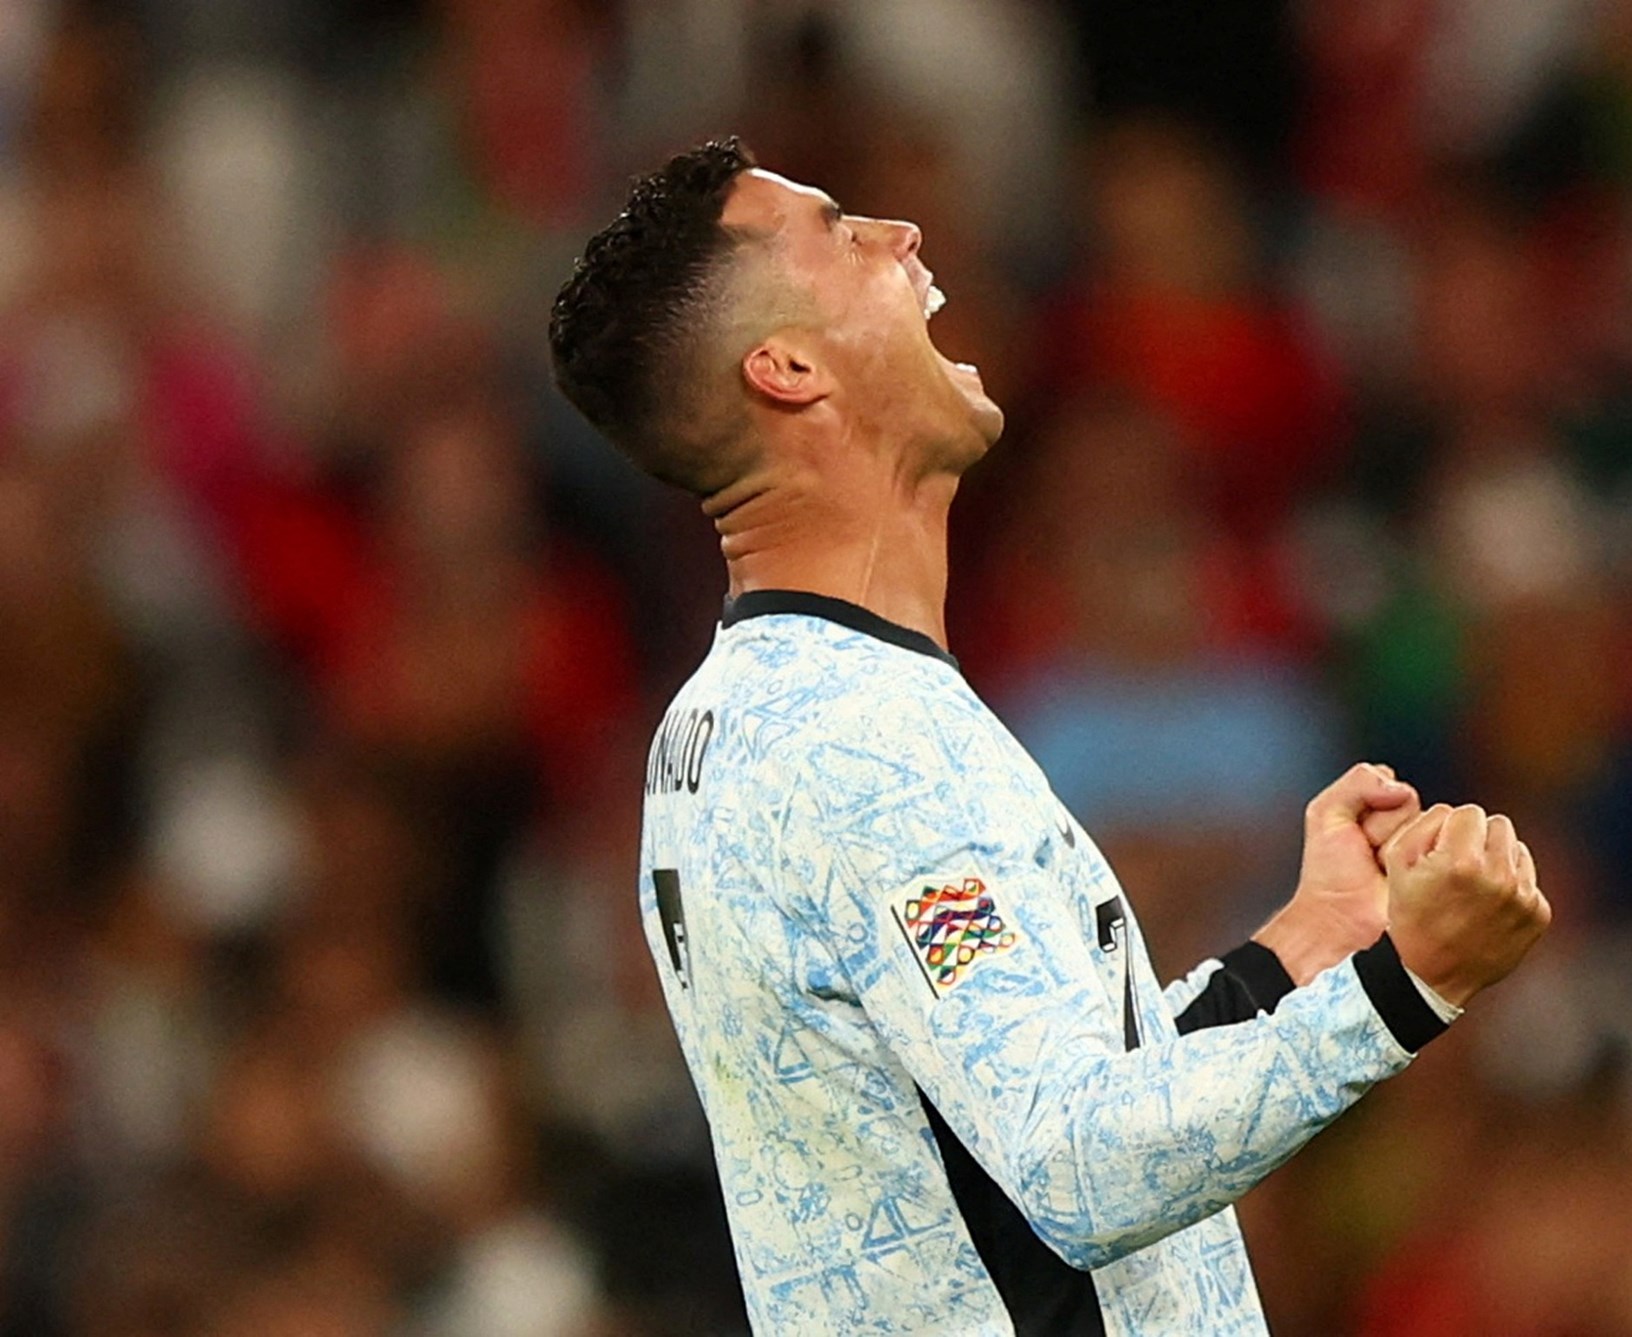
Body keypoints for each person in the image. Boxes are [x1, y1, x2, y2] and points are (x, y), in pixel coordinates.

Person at [546, 138, 1551, 1336]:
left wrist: (1303, 945)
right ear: (788, 367)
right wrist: (1403, 986)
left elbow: (1020, 1119)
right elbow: (1078, 1169)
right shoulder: (857, 740)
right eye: (841, 233)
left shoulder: (738, 717)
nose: (902, 236)